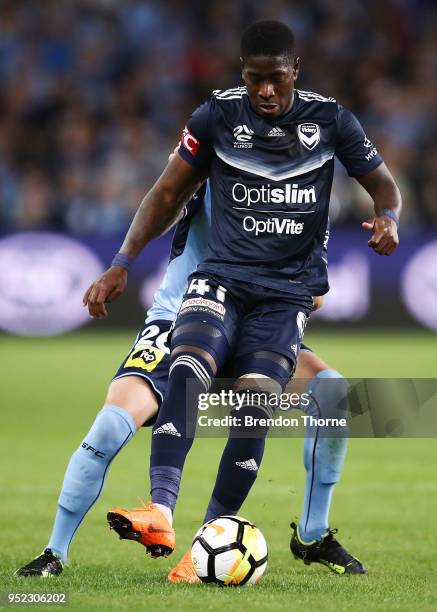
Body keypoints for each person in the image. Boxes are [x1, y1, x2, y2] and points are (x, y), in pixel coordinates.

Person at [88, 19, 400, 569]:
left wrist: (389, 217)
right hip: (222, 277)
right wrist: (120, 263)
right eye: (256, 80)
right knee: (187, 368)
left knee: (258, 402)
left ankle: (208, 540)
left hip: (284, 295)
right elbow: (165, 194)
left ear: (295, 71)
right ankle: (159, 510)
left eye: (276, 79)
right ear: (242, 74)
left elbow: (383, 185)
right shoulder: (216, 115)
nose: (266, 92)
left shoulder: (331, 120)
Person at [15, 179, 359, 580]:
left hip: (254, 328)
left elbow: (315, 294)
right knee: (111, 423)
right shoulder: (213, 164)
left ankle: (312, 534)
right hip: (182, 317)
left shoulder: (300, 196)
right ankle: (54, 552)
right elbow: (163, 198)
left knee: (332, 394)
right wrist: (122, 262)